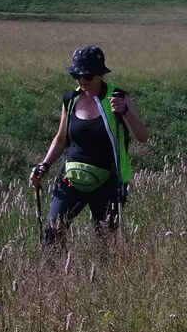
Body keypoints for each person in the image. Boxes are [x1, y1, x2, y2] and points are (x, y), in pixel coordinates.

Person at [29, 46, 150, 246]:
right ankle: (54, 275)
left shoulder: (118, 97)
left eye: (87, 75)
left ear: (100, 74)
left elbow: (142, 136)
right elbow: (61, 138)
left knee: (106, 242)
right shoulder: (71, 99)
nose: (82, 81)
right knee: (53, 231)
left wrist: (125, 110)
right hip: (71, 179)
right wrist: (44, 165)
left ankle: (106, 277)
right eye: (76, 75)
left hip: (108, 182)